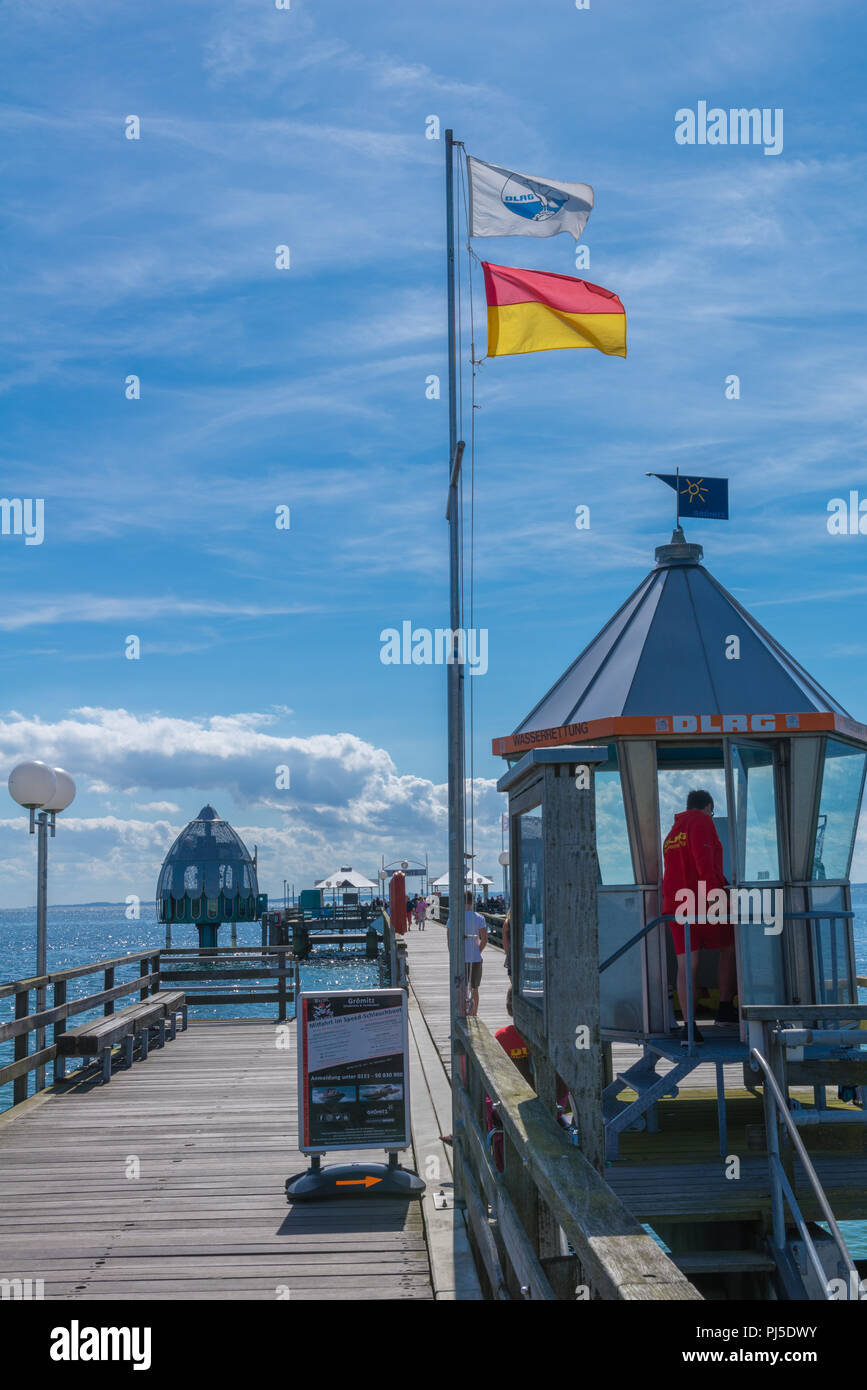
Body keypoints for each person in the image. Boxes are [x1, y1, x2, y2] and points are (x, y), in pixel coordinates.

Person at [662, 788, 737, 1045]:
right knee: (730, 946)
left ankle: (689, 1027)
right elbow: (704, 863)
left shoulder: (673, 832)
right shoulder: (702, 821)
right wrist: (718, 896)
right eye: (713, 812)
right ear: (708, 807)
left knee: (686, 966)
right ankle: (726, 1009)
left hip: (675, 905)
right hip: (702, 900)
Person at [463, 889, 487, 1016]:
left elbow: (450, 940)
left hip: (461, 958)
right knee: (474, 988)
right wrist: (478, 950)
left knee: (461, 988)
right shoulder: (479, 917)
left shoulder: (455, 918)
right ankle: (474, 1013)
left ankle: (463, 1012)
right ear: (473, 902)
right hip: (475, 958)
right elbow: (484, 938)